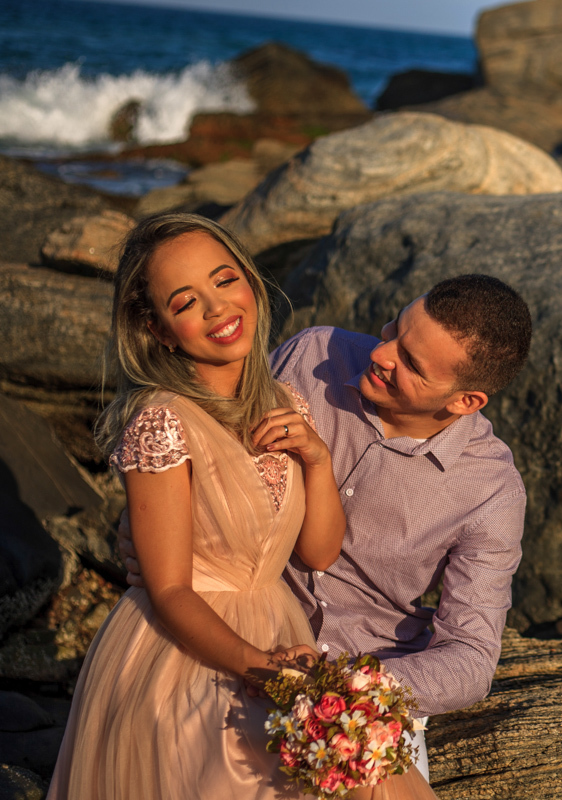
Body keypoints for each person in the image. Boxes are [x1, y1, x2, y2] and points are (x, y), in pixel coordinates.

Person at [49, 213, 437, 800]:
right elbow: (171, 589)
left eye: (224, 280)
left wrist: (316, 460)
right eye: (185, 302)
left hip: (278, 631)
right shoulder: (162, 420)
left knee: (355, 772)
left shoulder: (286, 402)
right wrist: (263, 670)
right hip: (186, 652)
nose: (215, 308)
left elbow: (318, 551)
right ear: (157, 329)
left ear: (252, 284)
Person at [121, 273, 533, 781]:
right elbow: (209, 453)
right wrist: (148, 529)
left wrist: (347, 682)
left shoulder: (492, 490)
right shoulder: (314, 355)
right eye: (394, 333)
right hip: (242, 631)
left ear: (464, 401)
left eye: (411, 365)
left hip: (365, 678)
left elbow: (471, 659)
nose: (381, 355)